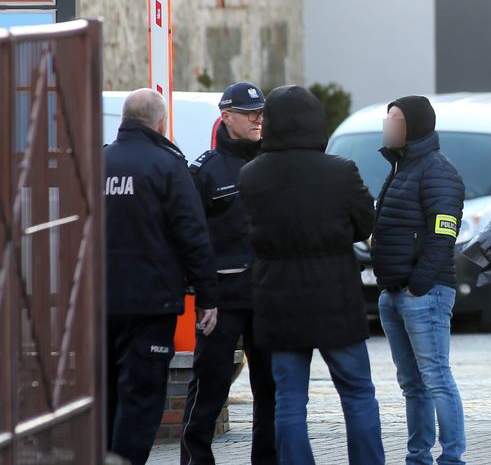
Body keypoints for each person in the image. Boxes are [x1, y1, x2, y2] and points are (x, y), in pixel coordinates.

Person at [238, 85, 384, 465]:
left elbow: (249, 232)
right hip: (336, 295)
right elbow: (365, 223)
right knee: (357, 394)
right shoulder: (339, 171)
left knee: (288, 399)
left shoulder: (251, 176)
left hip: (277, 298)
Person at [104, 89, 219, 465]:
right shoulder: (167, 166)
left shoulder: (96, 162)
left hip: (99, 304)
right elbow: (193, 235)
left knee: (106, 394)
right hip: (152, 305)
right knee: (140, 398)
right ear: (161, 123)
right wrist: (207, 296)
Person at [181, 82, 276, 465]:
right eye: (249, 113)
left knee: (269, 388)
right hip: (222, 298)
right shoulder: (206, 170)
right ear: (226, 117)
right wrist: (202, 294)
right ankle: (195, 460)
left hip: (267, 294)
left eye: (261, 113)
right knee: (209, 385)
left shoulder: (273, 162)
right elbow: (190, 234)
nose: (258, 120)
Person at [373, 96, 468, 465]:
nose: (388, 125)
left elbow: (443, 235)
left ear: (413, 126)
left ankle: (451, 458)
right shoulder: (401, 168)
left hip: (423, 294)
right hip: (394, 291)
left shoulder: (437, 170)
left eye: (394, 119)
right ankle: (418, 457)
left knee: (436, 378)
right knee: (412, 385)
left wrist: (418, 285)